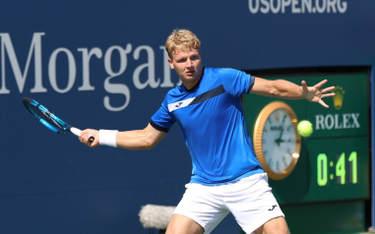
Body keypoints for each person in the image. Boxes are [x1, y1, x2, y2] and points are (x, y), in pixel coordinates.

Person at [79, 29, 335, 234]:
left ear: (201, 56)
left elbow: (273, 89)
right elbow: (147, 138)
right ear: (171, 63)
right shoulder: (172, 101)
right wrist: (102, 136)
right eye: (182, 60)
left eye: (194, 57)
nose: (189, 64)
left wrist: (302, 93)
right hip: (204, 187)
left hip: (246, 181)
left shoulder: (225, 79)